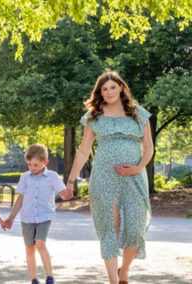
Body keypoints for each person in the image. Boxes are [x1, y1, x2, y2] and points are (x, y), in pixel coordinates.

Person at [66, 71, 153, 284]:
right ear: (100, 93)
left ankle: (124, 272)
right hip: (104, 178)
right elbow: (83, 151)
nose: (109, 92)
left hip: (134, 178)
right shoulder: (94, 116)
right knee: (109, 230)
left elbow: (149, 148)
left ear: (121, 87)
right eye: (104, 89)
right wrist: (70, 182)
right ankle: (114, 280)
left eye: (113, 87)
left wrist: (138, 168)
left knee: (135, 230)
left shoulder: (139, 114)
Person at [4, 144, 73, 284]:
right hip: (27, 218)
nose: (32, 167)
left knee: (40, 243)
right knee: (30, 248)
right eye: (29, 164)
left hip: (44, 216)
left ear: (45, 162)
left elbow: (63, 194)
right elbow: (20, 199)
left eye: (35, 164)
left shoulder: (52, 177)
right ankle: (34, 279)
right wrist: (11, 217)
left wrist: (68, 195)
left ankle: (50, 277)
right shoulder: (25, 177)